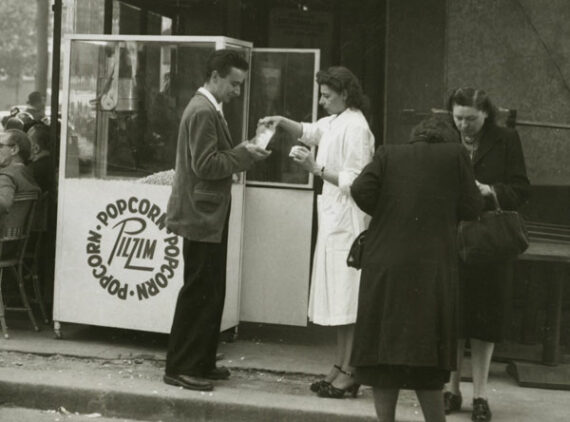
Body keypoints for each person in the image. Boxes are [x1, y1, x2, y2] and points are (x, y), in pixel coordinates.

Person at [349, 115, 483, 422]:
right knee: (427, 355)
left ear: (416, 137)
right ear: (447, 138)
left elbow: (360, 190)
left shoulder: (388, 152)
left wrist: (389, 213)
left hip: (384, 263)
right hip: (431, 266)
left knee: (383, 354)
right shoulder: (456, 154)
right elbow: (472, 207)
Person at [259, 66, 375, 399]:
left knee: (347, 300)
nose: (322, 101)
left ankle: (351, 371)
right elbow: (310, 130)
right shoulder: (336, 121)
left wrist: (315, 169)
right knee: (338, 299)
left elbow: (358, 181)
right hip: (333, 220)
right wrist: (281, 121)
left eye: (327, 95)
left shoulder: (357, 128)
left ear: (345, 95)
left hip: (349, 222)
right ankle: (340, 365)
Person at [164, 49, 271, 392]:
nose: (237, 92)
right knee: (200, 291)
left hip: (208, 213)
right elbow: (206, 166)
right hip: (201, 214)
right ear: (214, 77)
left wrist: (243, 150)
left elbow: (210, 158)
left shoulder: (208, 109)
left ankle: (200, 361)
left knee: (210, 290)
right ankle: (181, 366)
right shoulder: (202, 111)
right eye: (234, 85)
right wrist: (244, 154)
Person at [443, 88, 530, 422]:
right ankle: (452, 390)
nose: (463, 125)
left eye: (471, 119)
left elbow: (522, 189)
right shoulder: (446, 138)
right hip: (452, 238)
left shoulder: (506, 139)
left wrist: (490, 191)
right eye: (458, 118)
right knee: (454, 317)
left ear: (486, 114)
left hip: (490, 241)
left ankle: (480, 395)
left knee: (484, 319)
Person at [0, 129, 41, 216]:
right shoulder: (27, 174)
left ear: (14, 149)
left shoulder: (6, 176)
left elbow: (3, 203)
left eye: (0, 145)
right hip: (16, 228)